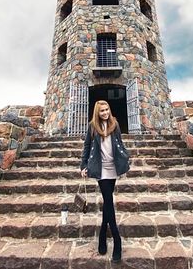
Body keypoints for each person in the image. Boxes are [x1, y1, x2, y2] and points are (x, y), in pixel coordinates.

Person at [80, 100, 130, 263]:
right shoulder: (92, 126)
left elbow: (120, 143)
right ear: (97, 112)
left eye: (107, 109)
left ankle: (102, 233)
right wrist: (83, 165)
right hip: (101, 170)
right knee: (108, 200)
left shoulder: (114, 124)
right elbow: (86, 146)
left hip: (113, 168)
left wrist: (125, 157)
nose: (105, 113)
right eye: (102, 111)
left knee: (108, 203)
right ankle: (117, 239)